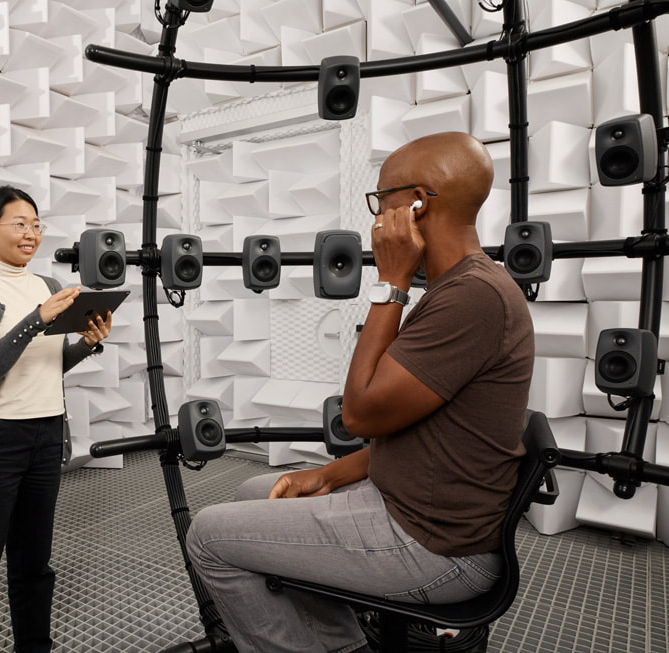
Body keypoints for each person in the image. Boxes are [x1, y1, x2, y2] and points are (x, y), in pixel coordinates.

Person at [186, 132, 535, 653]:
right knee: (251, 493)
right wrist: (327, 473)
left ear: (416, 205)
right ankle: (341, 644)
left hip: (434, 549)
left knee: (208, 536)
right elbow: (419, 436)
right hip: (411, 508)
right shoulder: (457, 288)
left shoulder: (472, 298)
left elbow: (361, 414)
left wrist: (390, 283)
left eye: (381, 200)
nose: (374, 218)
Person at [0, 186, 112, 653]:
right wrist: (36, 320)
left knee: (34, 566)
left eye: (36, 224)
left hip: (46, 437)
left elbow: (49, 362)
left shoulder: (49, 287)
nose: (31, 233)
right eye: (19, 224)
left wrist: (89, 343)